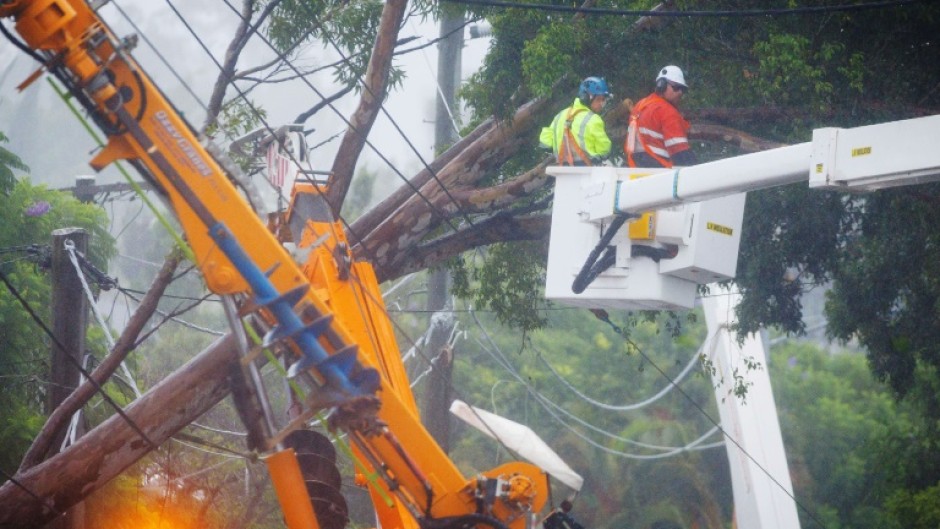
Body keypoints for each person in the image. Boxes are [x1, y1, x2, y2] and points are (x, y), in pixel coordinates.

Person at [625, 65, 697, 168]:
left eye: (682, 89)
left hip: (636, 168)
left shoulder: (639, 106)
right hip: (660, 170)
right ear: (661, 85)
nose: (680, 92)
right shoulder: (666, 111)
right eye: (676, 87)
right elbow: (681, 153)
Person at [540, 77, 612, 166]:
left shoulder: (560, 116)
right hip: (587, 172)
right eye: (598, 99)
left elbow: (544, 141)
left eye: (603, 100)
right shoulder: (593, 119)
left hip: (563, 171)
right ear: (586, 97)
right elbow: (604, 149)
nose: (601, 104)